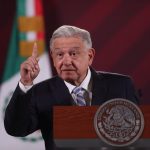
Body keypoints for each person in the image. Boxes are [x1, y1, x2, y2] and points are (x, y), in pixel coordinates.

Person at [4, 25, 140, 150]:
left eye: (73, 53)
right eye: (59, 55)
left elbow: (137, 136)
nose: (66, 61)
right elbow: (16, 129)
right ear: (52, 57)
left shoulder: (121, 86)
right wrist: (25, 84)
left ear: (90, 55)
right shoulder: (39, 93)